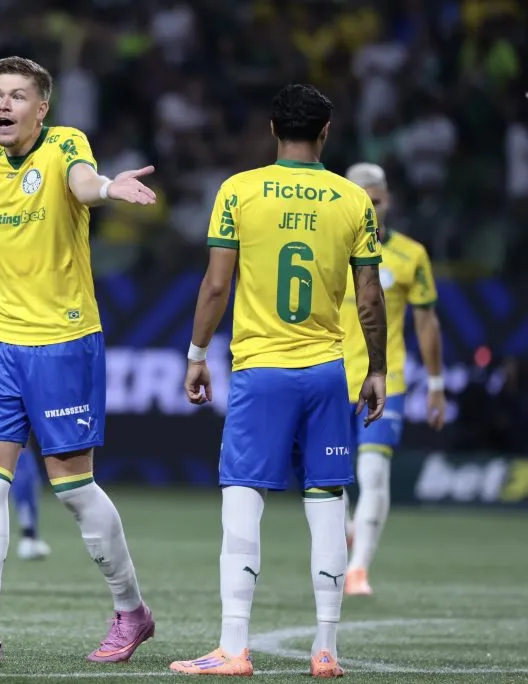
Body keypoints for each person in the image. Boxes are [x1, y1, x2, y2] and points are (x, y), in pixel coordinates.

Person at [0, 56, 157, 663]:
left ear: (42, 107)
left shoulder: (65, 145)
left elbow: (83, 182)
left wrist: (109, 189)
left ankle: (131, 611)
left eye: (17, 96)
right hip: (0, 343)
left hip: (63, 342)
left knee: (72, 489)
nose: (4, 105)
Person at [171, 84, 387, 678]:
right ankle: (326, 651)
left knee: (243, 500)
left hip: (261, 371)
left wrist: (196, 354)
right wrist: (377, 368)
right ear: (325, 133)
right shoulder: (352, 199)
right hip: (326, 371)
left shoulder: (239, 191)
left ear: (271, 130)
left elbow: (217, 286)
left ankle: (233, 648)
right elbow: (369, 296)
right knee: (326, 504)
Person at [340, 162, 446, 596]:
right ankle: (349, 532)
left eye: (376, 197)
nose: (371, 205)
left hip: (386, 380)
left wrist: (436, 383)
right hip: (327, 376)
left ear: (388, 200)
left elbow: (426, 323)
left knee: (374, 474)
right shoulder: (327, 249)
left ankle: (358, 569)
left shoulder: (410, 255)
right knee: (327, 478)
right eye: (361, 196)